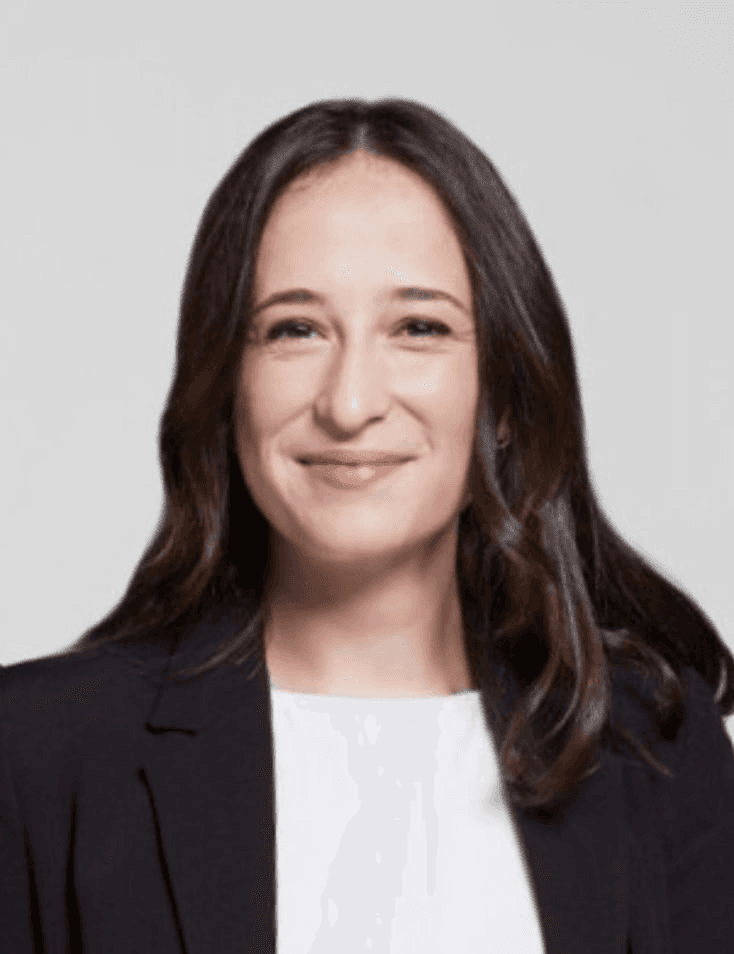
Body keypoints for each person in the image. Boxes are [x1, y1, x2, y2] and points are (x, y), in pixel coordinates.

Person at [2, 97, 733, 954]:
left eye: (418, 328)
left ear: (502, 394)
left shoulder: (651, 745)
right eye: (294, 329)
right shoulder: (37, 754)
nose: (350, 404)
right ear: (225, 382)